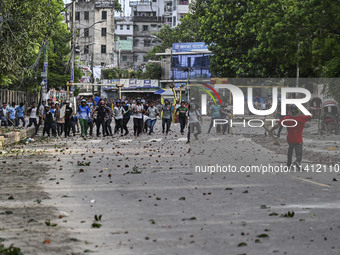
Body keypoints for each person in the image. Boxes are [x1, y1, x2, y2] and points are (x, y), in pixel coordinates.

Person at [269, 104, 312, 169]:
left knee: (290, 150)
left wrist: (271, 130)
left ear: (290, 111)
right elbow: (311, 116)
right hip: (298, 139)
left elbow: (277, 125)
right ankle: (297, 162)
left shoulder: (286, 119)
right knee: (299, 153)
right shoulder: (302, 118)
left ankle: (289, 164)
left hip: (290, 139)